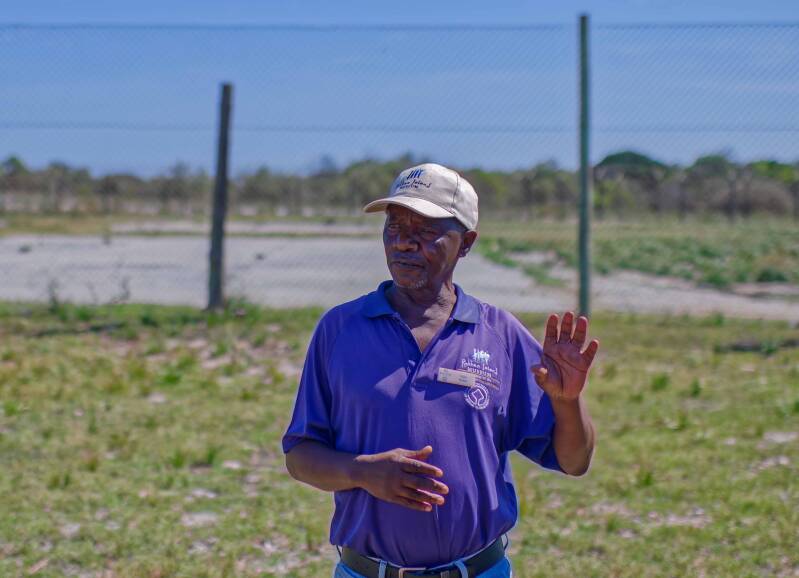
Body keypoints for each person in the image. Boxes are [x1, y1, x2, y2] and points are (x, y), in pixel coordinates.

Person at [282, 163, 599, 578]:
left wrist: (568, 402)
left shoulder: (499, 335)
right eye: (394, 227)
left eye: (426, 230)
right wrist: (362, 472)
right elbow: (300, 456)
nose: (404, 244)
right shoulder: (340, 330)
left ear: (466, 243)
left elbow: (574, 461)